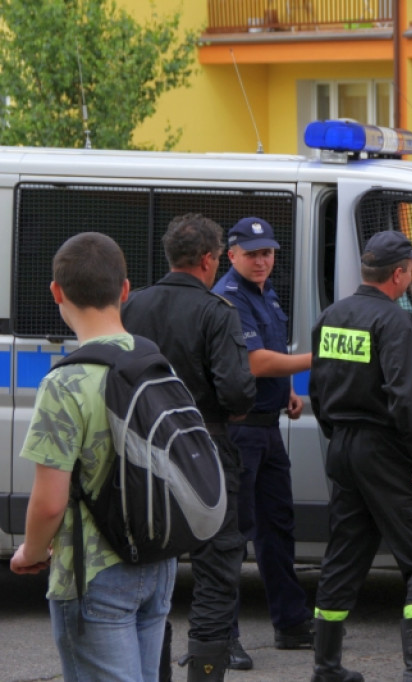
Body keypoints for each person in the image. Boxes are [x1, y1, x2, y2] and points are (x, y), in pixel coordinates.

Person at [9, 232, 177, 682]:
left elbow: (49, 503)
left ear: (56, 292)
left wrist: (30, 551)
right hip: (159, 560)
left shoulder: (64, 383)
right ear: (125, 290)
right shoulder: (155, 361)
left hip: (92, 573)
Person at [308, 231, 412, 682]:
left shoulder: (332, 316)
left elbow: (318, 389)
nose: (411, 276)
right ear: (399, 274)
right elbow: (406, 399)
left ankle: (327, 667)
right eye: (411, 269)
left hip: (344, 448)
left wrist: (340, 435)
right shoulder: (393, 322)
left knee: (345, 557)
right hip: (385, 451)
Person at [122, 213, 257, 680]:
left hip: (140, 456)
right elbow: (237, 391)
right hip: (207, 453)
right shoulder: (217, 312)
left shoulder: (131, 307)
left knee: (150, 570)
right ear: (207, 260)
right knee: (217, 571)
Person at [212, 217, 314, 664]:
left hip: (266, 426)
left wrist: (288, 391)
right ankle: (223, 635)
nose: (262, 260)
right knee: (233, 535)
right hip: (240, 430)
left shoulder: (262, 293)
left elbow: (270, 355)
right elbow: (253, 362)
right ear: (231, 254)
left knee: (278, 527)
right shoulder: (229, 298)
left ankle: (290, 622)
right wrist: (314, 360)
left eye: (268, 252)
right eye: (253, 253)